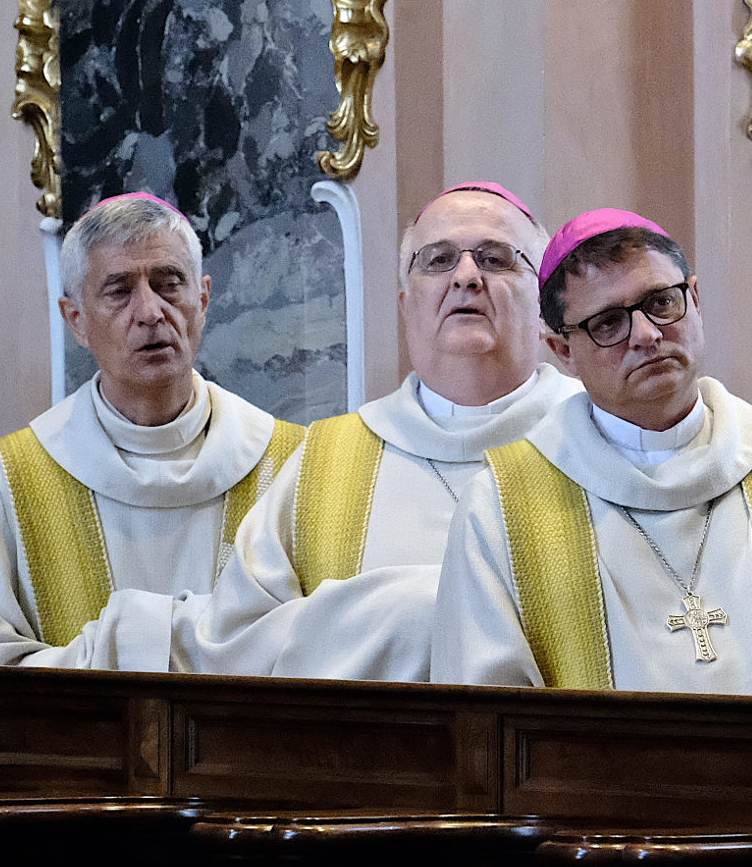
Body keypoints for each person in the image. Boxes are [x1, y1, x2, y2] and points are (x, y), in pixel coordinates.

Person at [432, 209, 752, 697]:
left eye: (661, 303)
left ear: (694, 299)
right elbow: (485, 726)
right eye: (609, 322)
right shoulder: (503, 509)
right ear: (562, 350)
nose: (647, 334)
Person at [183, 182, 578, 680]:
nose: (467, 277)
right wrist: (407, 613)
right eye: (437, 261)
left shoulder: (596, 439)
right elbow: (234, 646)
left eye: (496, 259)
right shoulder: (324, 462)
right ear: (405, 303)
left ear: (544, 308)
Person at [0, 193, 303, 670]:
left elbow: (322, 645)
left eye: (169, 284)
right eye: (119, 291)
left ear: (202, 301)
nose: (151, 311)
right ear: (76, 320)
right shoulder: (11, 485)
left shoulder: (288, 465)